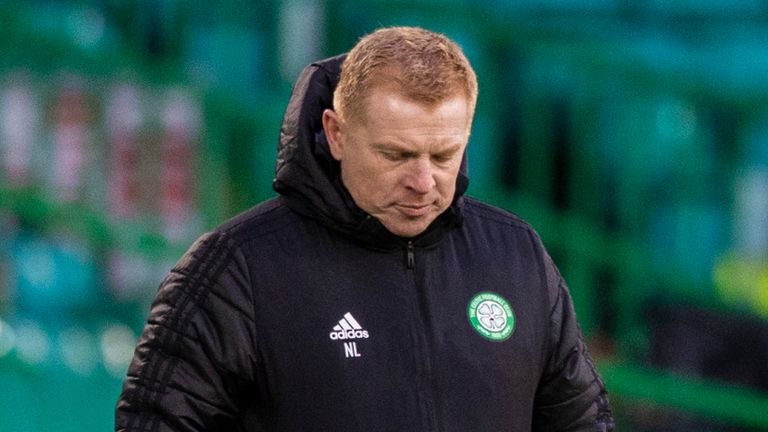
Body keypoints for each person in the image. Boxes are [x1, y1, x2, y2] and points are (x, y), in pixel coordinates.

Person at [116, 26, 614, 431]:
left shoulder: (515, 255)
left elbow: (582, 423)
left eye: (443, 155)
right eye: (395, 155)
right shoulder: (236, 269)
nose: (423, 182)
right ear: (336, 133)